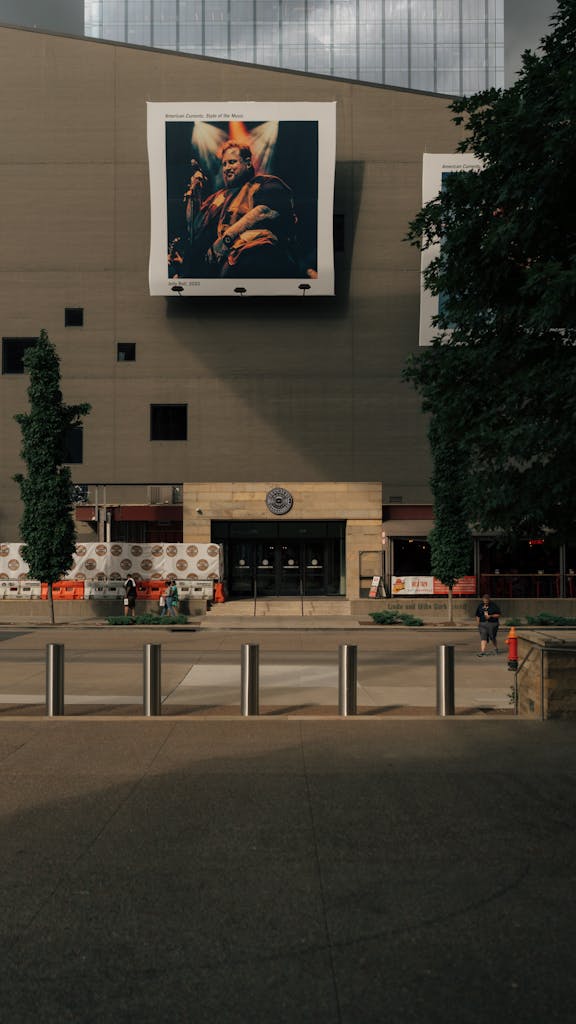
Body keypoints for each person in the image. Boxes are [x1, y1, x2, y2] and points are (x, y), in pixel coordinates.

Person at [174, 141, 299, 279]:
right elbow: (193, 225)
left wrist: (226, 240)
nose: (227, 168)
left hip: (243, 263)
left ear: (248, 163)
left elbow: (264, 211)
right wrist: (194, 193)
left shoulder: (264, 183)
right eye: (224, 164)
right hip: (204, 270)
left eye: (232, 162)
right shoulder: (217, 196)